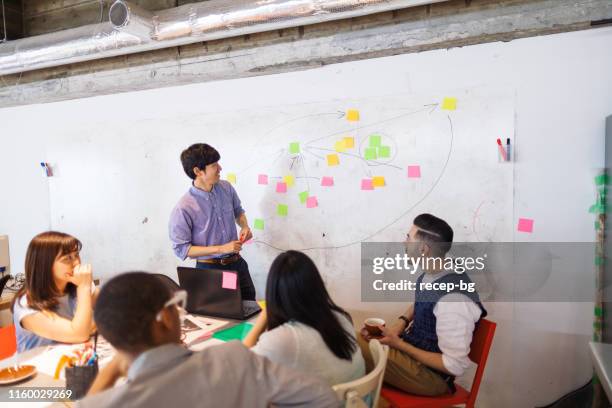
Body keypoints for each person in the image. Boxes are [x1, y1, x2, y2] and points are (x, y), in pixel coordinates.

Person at [80, 272, 338, 408]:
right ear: (165, 319)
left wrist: (113, 368)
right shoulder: (235, 359)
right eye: (176, 306)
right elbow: (324, 398)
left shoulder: (106, 404)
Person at [358, 214, 487, 396]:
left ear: (423, 249)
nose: (404, 243)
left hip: (431, 379)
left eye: (408, 238)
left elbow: (454, 365)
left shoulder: (454, 300)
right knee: (360, 340)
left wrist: (399, 345)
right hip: (414, 358)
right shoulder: (436, 271)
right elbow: (423, 300)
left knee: (352, 344)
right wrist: (399, 324)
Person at [243, 250, 365, 386]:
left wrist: (264, 317)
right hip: (361, 400)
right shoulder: (341, 317)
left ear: (275, 292)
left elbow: (241, 364)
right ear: (317, 286)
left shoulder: (285, 339)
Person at [169, 143, 255, 300]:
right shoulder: (183, 208)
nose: (220, 168)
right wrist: (221, 249)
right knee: (226, 315)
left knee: (250, 307)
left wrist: (244, 226)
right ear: (198, 171)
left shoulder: (226, 188)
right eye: (214, 165)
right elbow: (182, 249)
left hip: (237, 264)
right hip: (211, 270)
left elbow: (239, 211)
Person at [11, 231, 97, 352]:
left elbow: (111, 311)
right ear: (45, 264)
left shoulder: (76, 285)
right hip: (38, 367)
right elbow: (79, 334)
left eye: (76, 255)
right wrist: (84, 288)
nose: (77, 263)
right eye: (67, 258)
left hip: (73, 359)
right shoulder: (26, 303)